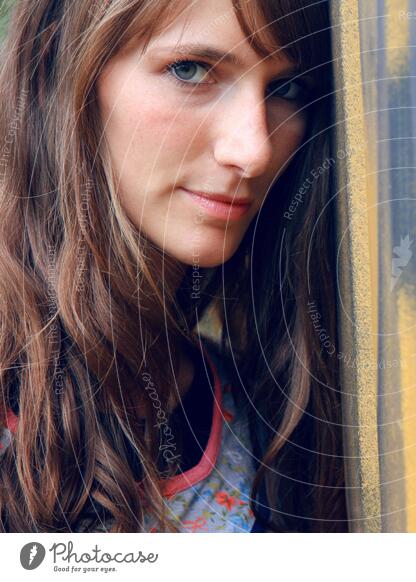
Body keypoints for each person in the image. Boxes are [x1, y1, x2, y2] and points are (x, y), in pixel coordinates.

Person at [0, 0, 347, 532]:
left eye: (286, 89)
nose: (253, 150)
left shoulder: (263, 406)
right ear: (59, 70)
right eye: (191, 70)